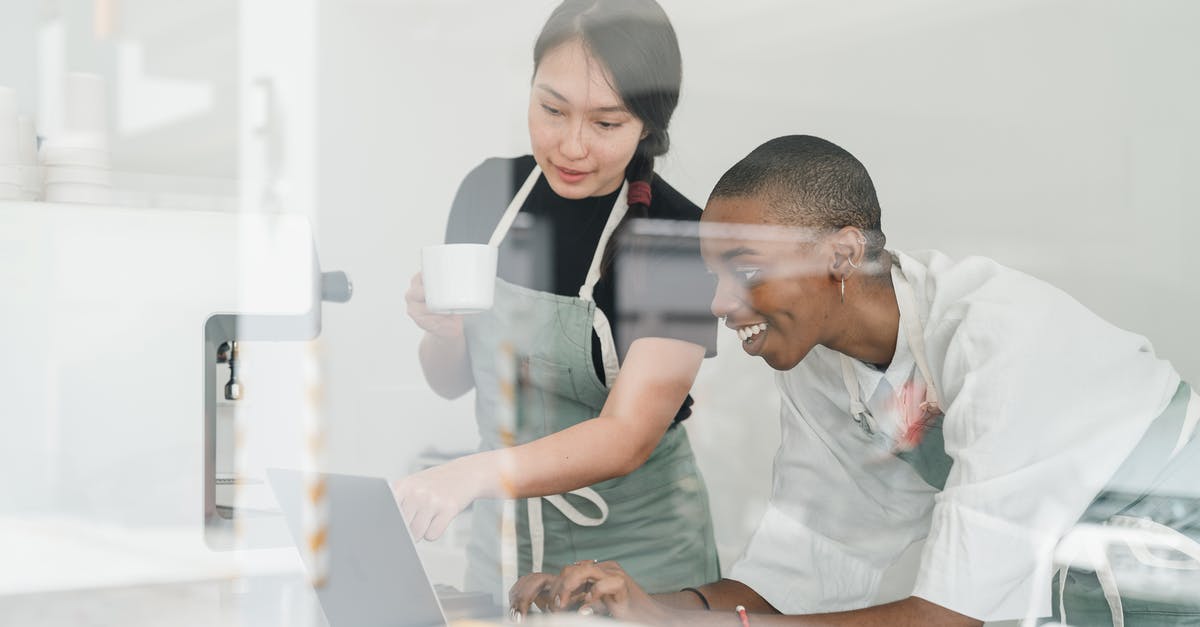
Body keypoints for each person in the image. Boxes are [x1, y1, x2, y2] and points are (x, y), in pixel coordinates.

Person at [509, 135, 1200, 625]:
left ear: (842, 252)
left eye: (744, 268)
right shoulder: (818, 363)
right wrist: (639, 607)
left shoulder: (997, 340)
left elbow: (943, 617)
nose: (718, 304)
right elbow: (795, 576)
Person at [399, 0, 721, 604]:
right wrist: (442, 331)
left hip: (642, 550)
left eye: (605, 123)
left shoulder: (678, 237)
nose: (571, 146)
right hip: (505, 542)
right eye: (551, 109)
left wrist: (472, 475)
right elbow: (449, 381)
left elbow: (628, 436)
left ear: (648, 126)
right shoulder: (487, 194)